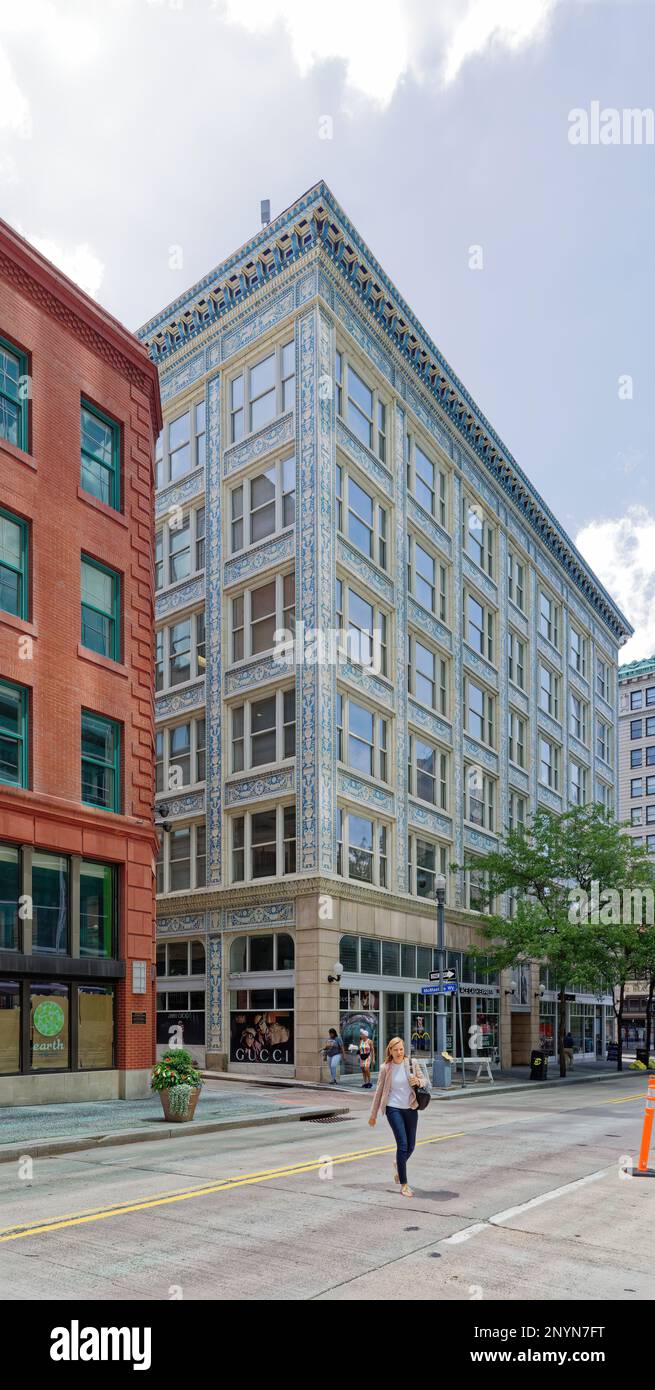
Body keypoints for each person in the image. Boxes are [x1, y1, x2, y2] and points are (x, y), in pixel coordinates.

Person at [368, 1037, 422, 1197]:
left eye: (401, 1049)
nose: (399, 1052)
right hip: (393, 1108)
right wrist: (373, 1115)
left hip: (411, 1108)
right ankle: (404, 1184)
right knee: (403, 1145)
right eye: (395, 1050)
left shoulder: (412, 1064)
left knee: (411, 1145)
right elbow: (379, 1092)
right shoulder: (386, 1068)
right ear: (390, 1051)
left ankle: (399, 1165)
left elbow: (425, 1082)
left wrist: (418, 1081)